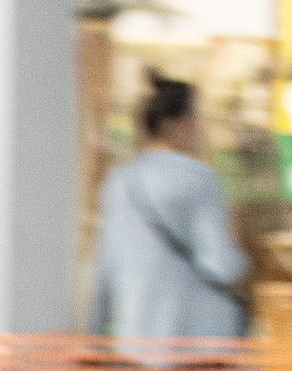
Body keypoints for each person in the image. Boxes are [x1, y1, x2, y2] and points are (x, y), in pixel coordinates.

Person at [88, 73, 248, 342]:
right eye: (194, 119)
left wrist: (93, 334)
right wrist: (245, 265)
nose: (198, 128)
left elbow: (105, 267)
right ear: (176, 124)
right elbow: (220, 265)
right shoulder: (200, 180)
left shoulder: (119, 182)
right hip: (197, 339)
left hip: (138, 337)